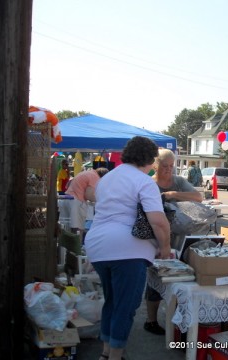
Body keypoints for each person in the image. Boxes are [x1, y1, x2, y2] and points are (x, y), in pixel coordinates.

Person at [84, 136, 171, 360]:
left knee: (112, 301)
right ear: (150, 159)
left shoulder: (107, 178)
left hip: (97, 245)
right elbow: (158, 221)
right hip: (127, 249)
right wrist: (165, 247)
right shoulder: (143, 181)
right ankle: (114, 356)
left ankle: (106, 352)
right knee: (126, 306)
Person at [143, 149, 202, 335]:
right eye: (164, 166)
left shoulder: (178, 182)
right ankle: (151, 320)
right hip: (154, 237)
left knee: (179, 277)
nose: (168, 169)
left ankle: (177, 320)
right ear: (155, 165)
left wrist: (173, 194)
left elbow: (198, 197)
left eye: (171, 166)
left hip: (178, 236)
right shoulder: (149, 184)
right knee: (155, 278)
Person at [66, 167, 109, 235]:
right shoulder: (95, 177)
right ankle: (77, 245)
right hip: (77, 201)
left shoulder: (89, 173)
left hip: (69, 198)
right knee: (78, 229)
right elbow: (88, 195)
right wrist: (102, 201)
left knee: (70, 229)